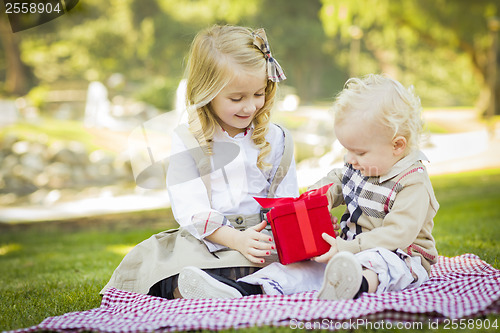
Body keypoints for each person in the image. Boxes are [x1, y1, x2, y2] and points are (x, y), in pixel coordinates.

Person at [180, 74, 439, 300]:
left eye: (358, 151)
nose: (350, 159)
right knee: (300, 267)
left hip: (404, 256)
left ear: (397, 146)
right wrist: (313, 202)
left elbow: (397, 235)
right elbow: (337, 181)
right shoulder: (366, 165)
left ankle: (356, 286)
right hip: (349, 249)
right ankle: (244, 290)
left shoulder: (412, 181)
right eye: (347, 150)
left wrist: (349, 249)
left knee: (382, 265)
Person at [101, 25, 300, 299]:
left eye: (258, 93)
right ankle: (207, 288)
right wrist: (235, 239)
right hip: (212, 239)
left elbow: (286, 198)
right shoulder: (190, 139)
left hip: (263, 237)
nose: (250, 107)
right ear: (207, 93)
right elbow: (190, 207)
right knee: (181, 265)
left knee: (301, 264)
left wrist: (300, 227)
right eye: (236, 98)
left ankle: (239, 288)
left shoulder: (276, 138)